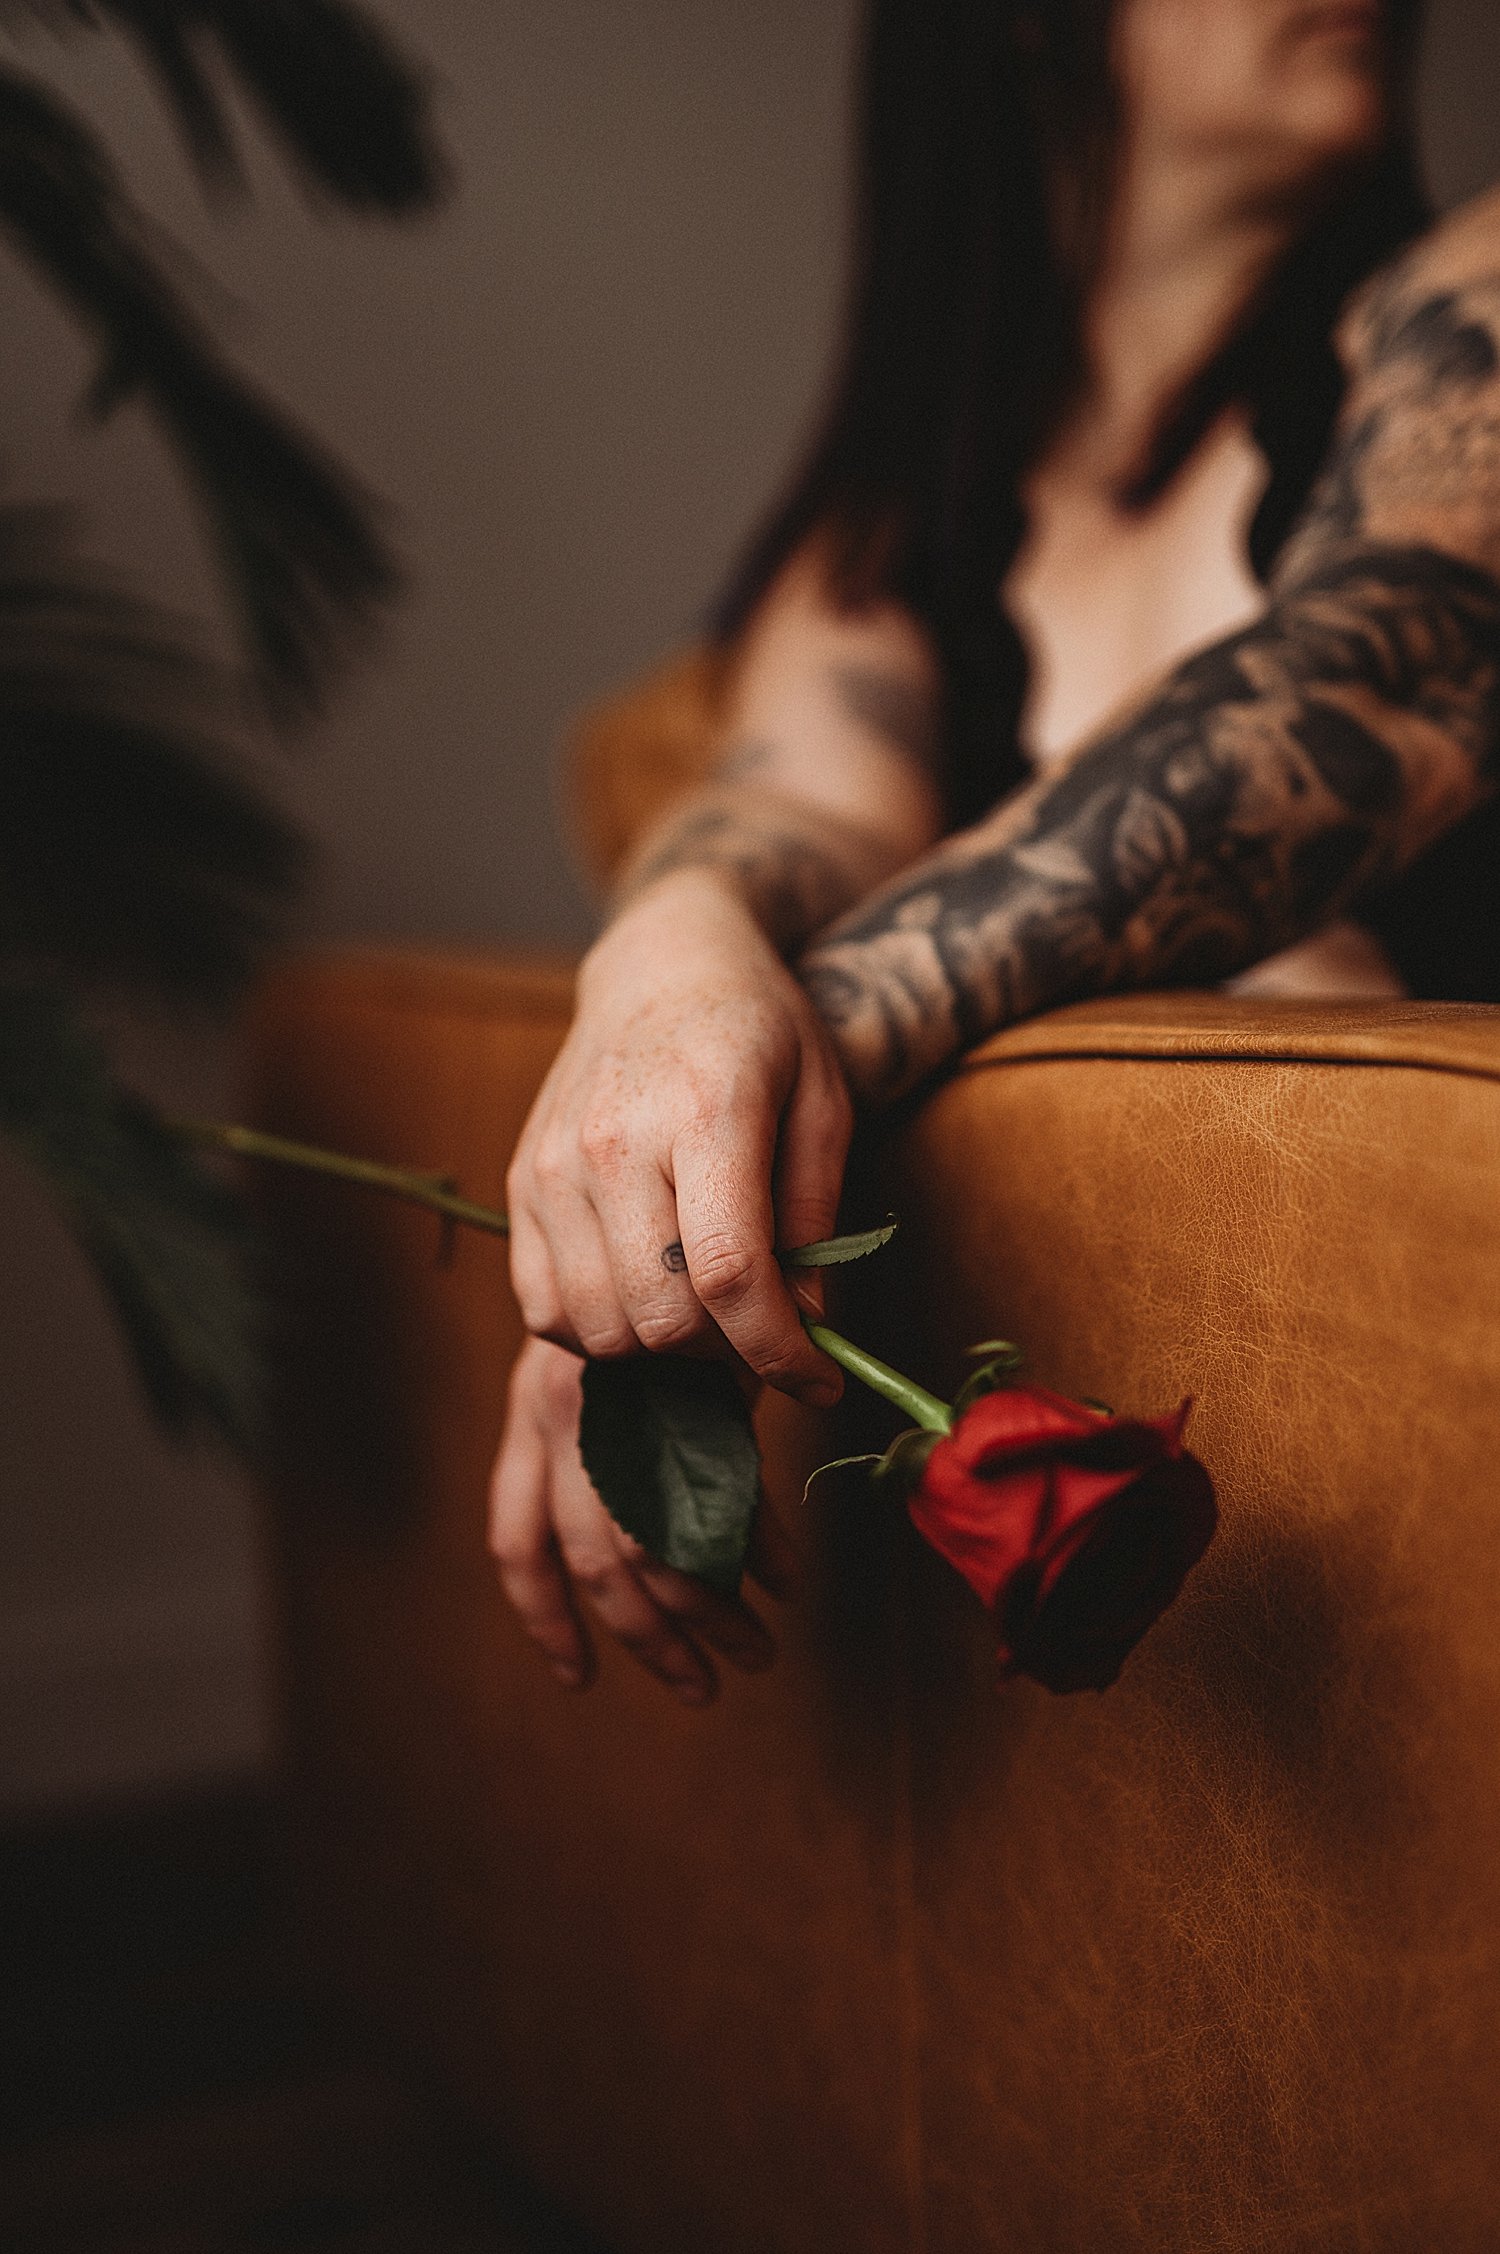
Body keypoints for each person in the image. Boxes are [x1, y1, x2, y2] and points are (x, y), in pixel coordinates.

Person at [490, 0, 1500, 1705]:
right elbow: (796, 798)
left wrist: (782, 1075)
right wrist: (669, 964)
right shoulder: (914, 502)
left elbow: (1369, 681)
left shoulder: (1477, 290)